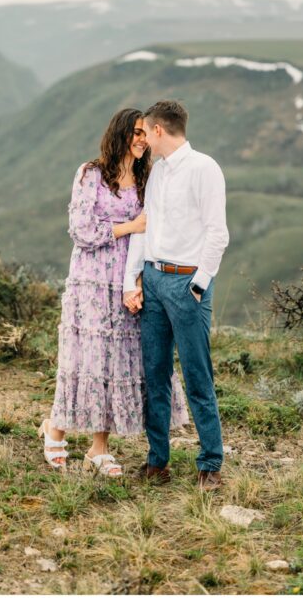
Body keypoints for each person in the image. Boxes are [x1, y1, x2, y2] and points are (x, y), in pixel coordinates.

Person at [40, 108, 188, 477]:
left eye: (145, 134)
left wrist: (137, 279)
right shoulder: (90, 173)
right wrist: (129, 226)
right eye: (135, 132)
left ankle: (98, 448)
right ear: (120, 133)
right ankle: (54, 428)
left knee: (115, 363)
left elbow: (149, 231)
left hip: (126, 281)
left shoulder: (144, 178)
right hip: (90, 283)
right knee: (84, 360)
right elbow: (81, 230)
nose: (141, 139)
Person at [123, 99, 229, 491]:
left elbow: (218, 233)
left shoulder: (204, 169)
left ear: (158, 131)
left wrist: (199, 285)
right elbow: (143, 229)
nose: (144, 139)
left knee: (197, 374)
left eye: (146, 132)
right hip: (152, 280)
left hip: (187, 284)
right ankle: (157, 461)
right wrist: (131, 280)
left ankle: (210, 463)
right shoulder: (156, 174)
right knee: (155, 374)